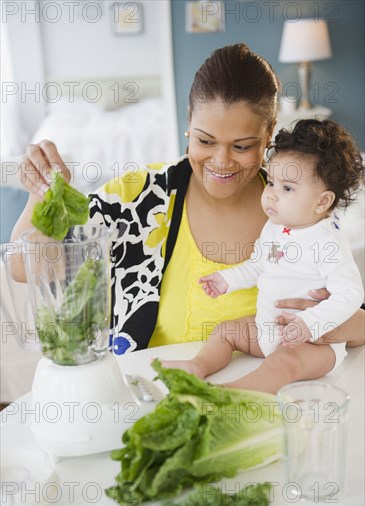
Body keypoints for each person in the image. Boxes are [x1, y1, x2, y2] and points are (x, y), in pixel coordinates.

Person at [11, 43, 365, 374]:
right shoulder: (136, 197)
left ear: (270, 132)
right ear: (188, 121)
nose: (221, 162)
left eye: (241, 146)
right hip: (155, 394)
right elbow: (26, 267)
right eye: (205, 140)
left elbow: (356, 316)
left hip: (272, 400)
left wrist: (335, 323)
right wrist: (42, 194)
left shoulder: (300, 208)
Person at [162, 119, 364, 393]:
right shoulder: (275, 229)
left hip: (314, 342)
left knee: (283, 362)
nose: (271, 195)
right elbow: (259, 264)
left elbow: (350, 294)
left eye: (287, 188)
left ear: (322, 202)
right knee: (226, 331)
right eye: (271, 182)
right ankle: (197, 367)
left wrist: (310, 324)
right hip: (267, 328)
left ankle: (232, 394)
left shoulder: (327, 243)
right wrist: (227, 280)